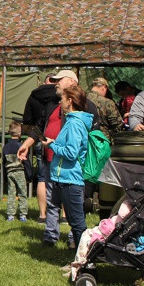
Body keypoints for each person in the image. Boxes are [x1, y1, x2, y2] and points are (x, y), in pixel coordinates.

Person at [41, 85, 93, 248]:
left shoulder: (74, 124)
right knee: (74, 221)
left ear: (70, 101)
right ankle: (79, 260)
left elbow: (71, 153)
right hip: (64, 178)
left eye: (62, 99)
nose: (60, 102)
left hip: (70, 180)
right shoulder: (72, 121)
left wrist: (51, 146)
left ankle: (84, 261)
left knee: (77, 224)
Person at [18, 72, 60, 222]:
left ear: (44, 81)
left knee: (42, 176)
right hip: (59, 138)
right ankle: (64, 216)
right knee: (63, 176)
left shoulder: (34, 96)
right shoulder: (60, 96)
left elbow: (27, 120)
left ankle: (42, 214)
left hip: (38, 138)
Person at [3, 121, 28, 222]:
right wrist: (29, 174)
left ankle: (10, 215)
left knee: (11, 193)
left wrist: (5, 175)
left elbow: (3, 162)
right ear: (19, 133)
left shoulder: (5, 147)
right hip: (20, 172)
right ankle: (23, 215)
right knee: (22, 193)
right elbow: (26, 162)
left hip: (9, 172)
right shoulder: (21, 146)